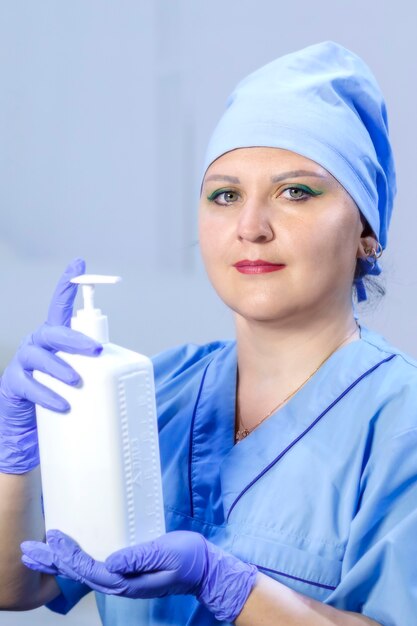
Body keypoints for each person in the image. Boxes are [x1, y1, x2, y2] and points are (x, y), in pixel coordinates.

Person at [0, 40, 416, 626]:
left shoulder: (400, 425)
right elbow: (22, 585)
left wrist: (228, 585)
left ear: (366, 233)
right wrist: (15, 457)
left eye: (295, 191)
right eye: (225, 195)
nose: (250, 227)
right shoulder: (155, 388)